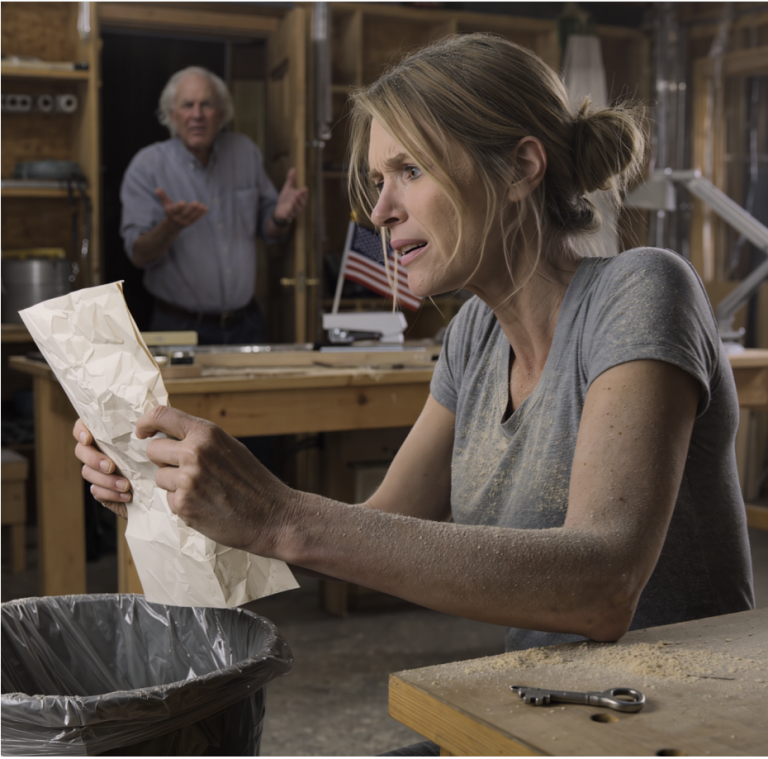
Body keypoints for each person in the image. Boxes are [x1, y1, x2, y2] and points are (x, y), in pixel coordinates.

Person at [77, 33, 754, 751]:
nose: (381, 210)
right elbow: (366, 532)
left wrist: (278, 513)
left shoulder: (642, 289)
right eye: (379, 179)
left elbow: (602, 583)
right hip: (556, 715)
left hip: (682, 725)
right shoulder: (471, 341)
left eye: (410, 169)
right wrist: (172, 489)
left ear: (522, 166)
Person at [120, 66, 308, 344]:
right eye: (187, 105)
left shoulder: (245, 152)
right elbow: (138, 253)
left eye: (206, 104)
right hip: (179, 327)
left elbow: (269, 231)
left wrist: (280, 217)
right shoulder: (147, 166)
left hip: (247, 325)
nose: (197, 114)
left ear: (221, 113)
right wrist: (169, 228)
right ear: (172, 115)